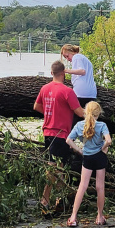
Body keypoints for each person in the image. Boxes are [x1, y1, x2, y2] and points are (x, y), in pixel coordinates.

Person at [33, 60, 85, 213]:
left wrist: (50, 113)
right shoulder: (67, 91)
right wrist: (94, 114)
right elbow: (79, 112)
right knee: (54, 168)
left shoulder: (45, 88)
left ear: (51, 73)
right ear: (63, 73)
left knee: (60, 167)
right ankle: (45, 200)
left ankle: (59, 200)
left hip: (48, 132)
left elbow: (36, 106)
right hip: (60, 133)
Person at [65, 101, 112, 227]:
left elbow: (68, 140)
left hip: (87, 157)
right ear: (98, 113)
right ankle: (99, 217)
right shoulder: (102, 125)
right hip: (100, 157)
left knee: (83, 185)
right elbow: (108, 140)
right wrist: (103, 147)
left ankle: (73, 217)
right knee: (100, 187)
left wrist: (79, 150)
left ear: (85, 112)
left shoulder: (80, 125)